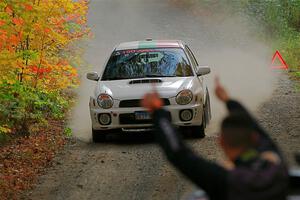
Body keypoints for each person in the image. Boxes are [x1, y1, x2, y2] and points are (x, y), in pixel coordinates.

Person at [141, 77, 288, 200]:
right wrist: (228, 101)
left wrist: (158, 112)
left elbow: (179, 154)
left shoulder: (225, 181)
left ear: (221, 142)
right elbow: (256, 128)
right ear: (254, 138)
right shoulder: (277, 165)